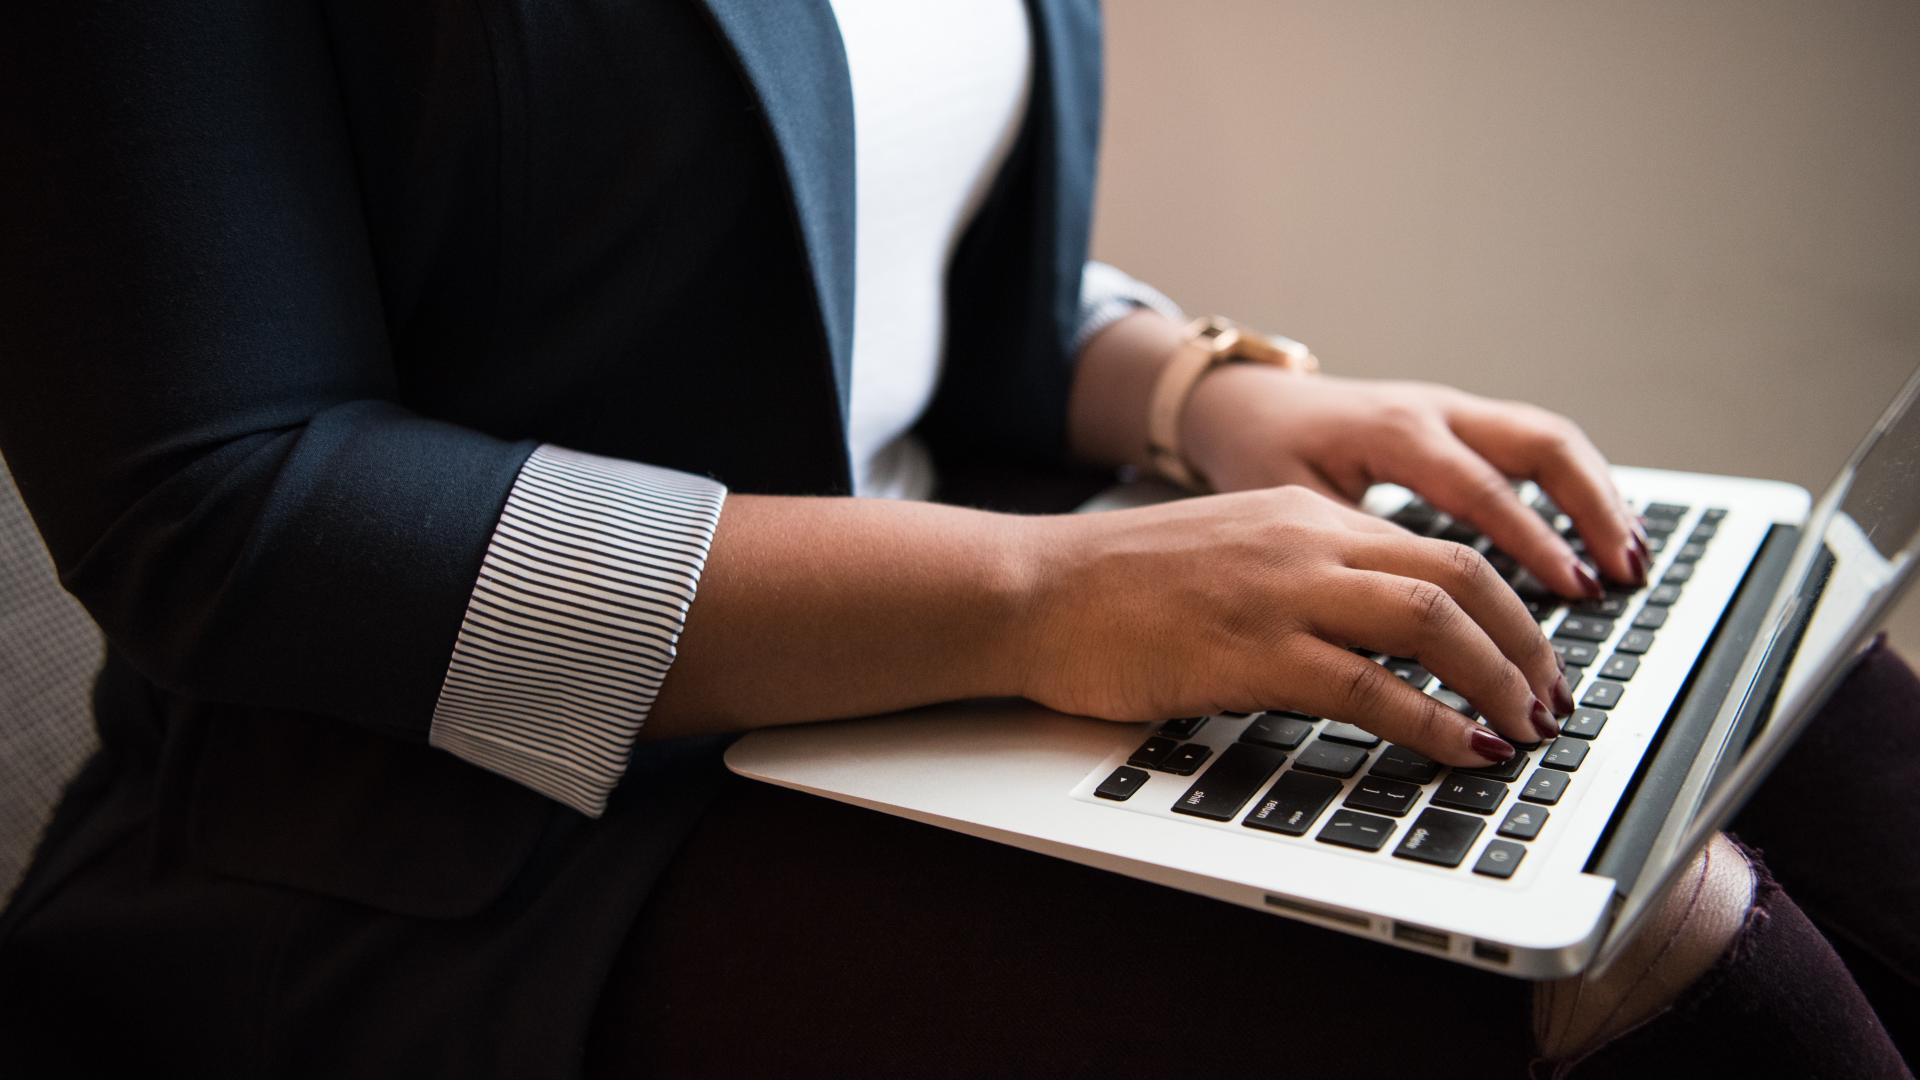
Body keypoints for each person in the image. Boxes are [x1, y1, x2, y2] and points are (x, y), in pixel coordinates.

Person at [0, 1, 1912, 1076]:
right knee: (1651, 948)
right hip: (444, 837)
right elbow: (219, 499)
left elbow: (836, 241)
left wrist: (1204, 393)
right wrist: (1042, 593)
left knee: (1799, 710)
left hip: (955, 671)